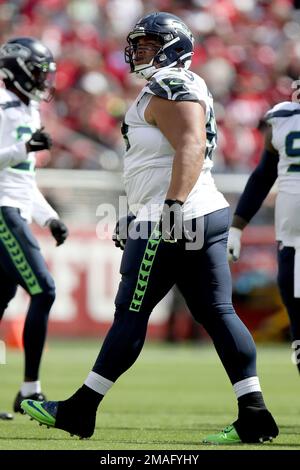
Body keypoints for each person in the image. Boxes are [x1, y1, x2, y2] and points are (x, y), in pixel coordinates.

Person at [21, 12, 278, 444]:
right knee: (218, 313)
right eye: (138, 44)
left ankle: (80, 410)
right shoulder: (174, 85)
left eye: (149, 44)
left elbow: (190, 145)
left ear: (174, 46)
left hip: (175, 218)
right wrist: (139, 210)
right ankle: (254, 412)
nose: (139, 52)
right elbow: (160, 160)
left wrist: (169, 208)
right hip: (200, 211)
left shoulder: (171, 85)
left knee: (132, 312)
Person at [0, 37, 68, 419]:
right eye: (39, 71)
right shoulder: (3, 107)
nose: (45, 79)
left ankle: (26, 389)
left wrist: (48, 217)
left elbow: (23, 180)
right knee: (44, 290)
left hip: (15, 208)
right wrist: (23, 148)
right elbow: (13, 161)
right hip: (1, 211)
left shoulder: (27, 108)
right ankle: (30, 390)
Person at [227, 98, 300, 372]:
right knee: (296, 315)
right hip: (292, 238)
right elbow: (262, 176)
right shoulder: (281, 118)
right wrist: (237, 226)